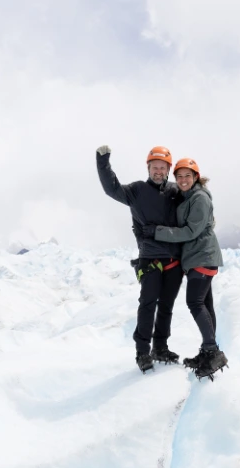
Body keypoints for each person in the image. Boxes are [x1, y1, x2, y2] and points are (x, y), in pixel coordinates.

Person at [96, 145, 184, 373]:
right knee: (147, 305)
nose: (158, 171)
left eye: (162, 167)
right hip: (150, 260)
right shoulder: (136, 191)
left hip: (174, 261)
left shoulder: (176, 192)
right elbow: (111, 188)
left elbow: (194, 202)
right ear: (148, 167)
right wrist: (103, 161)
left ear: (168, 169)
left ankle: (161, 348)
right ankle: (143, 352)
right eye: (154, 167)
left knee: (166, 306)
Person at [141, 157, 228, 380]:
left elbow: (190, 232)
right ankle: (208, 351)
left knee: (195, 302)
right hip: (199, 256)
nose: (182, 180)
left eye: (187, 176)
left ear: (196, 177)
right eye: (179, 176)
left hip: (202, 256)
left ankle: (212, 351)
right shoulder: (190, 196)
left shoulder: (198, 198)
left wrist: (156, 231)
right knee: (206, 304)